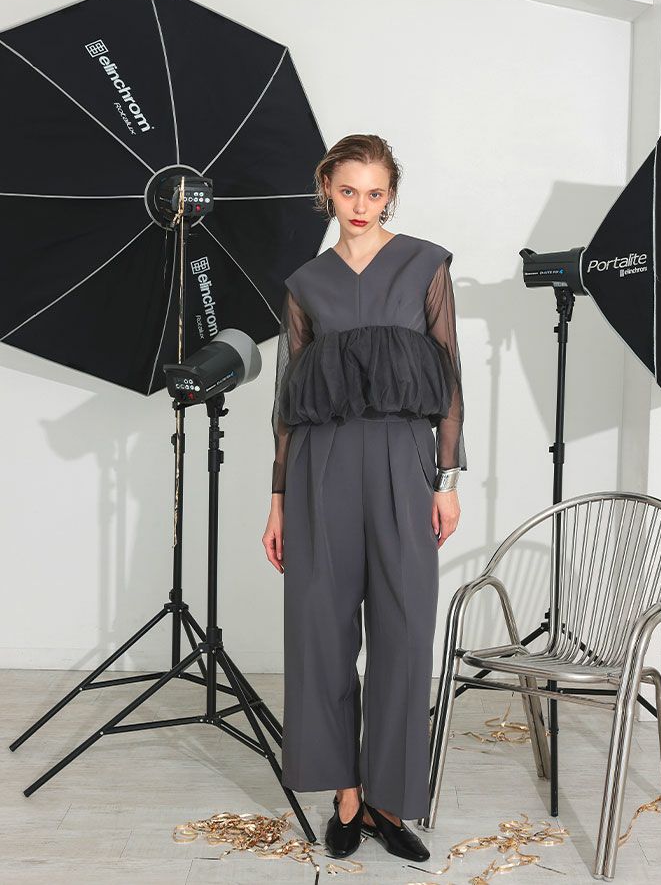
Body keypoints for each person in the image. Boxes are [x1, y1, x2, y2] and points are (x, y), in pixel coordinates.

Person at [262, 134, 466, 862]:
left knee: (405, 629)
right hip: (319, 466)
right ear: (327, 187)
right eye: (348, 190)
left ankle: (388, 796)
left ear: (391, 195)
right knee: (320, 629)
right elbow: (288, 402)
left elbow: (448, 379)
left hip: (404, 461)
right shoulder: (305, 282)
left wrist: (447, 481)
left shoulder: (425, 264)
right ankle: (346, 795)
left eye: (375, 193)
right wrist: (278, 500)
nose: (360, 205)